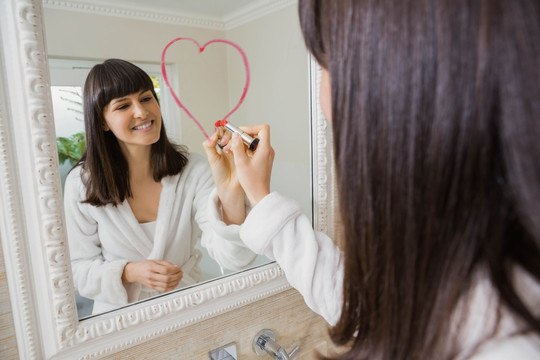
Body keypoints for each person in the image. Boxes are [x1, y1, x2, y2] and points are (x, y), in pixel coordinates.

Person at [203, 0, 540, 359]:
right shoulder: (458, 247)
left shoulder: (508, 344)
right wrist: (260, 195)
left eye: (327, 64)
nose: (323, 98)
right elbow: (371, 308)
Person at [64, 59, 255, 315]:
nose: (142, 112)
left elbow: (235, 258)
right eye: (123, 105)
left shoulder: (193, 170)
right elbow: (77, 270)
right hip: (118, 319)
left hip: (187, 309)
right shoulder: (82, 184)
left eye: (145, 98)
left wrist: (231, 189)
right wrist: (129, 272)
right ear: (102, 122)